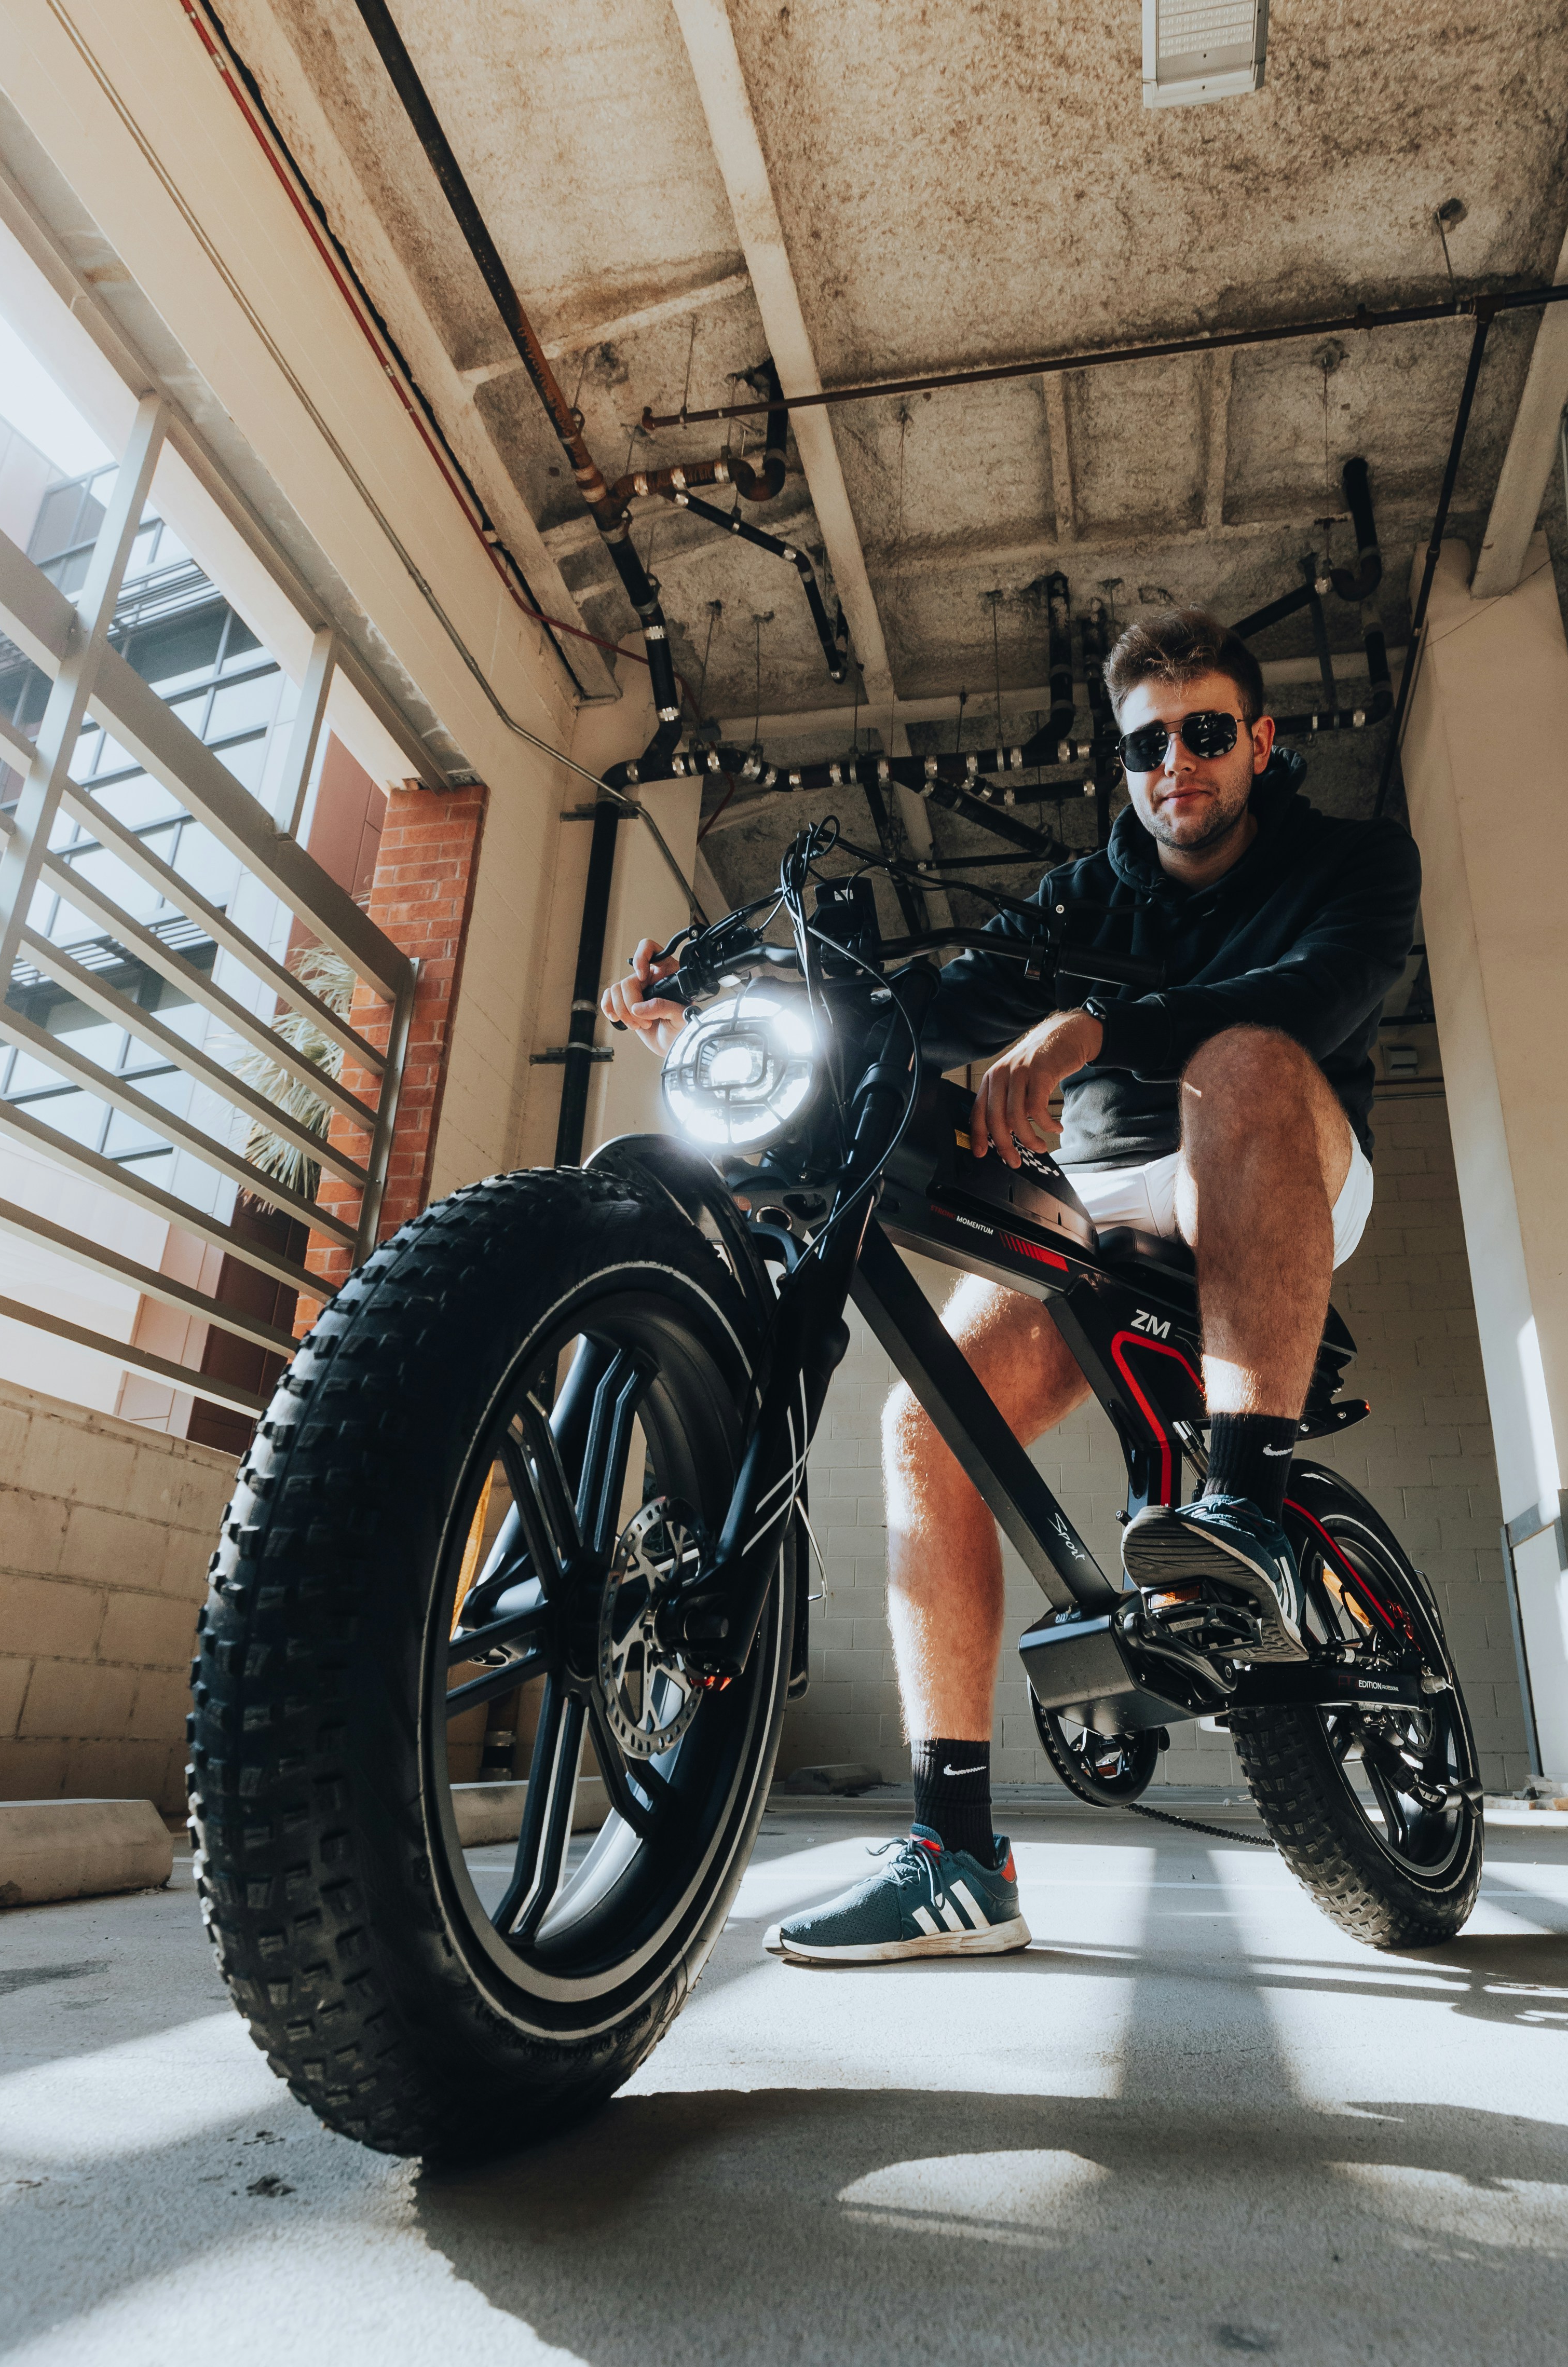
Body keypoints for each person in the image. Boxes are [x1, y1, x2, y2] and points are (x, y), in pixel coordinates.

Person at [605, 608, 1420, 1965]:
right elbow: (941, 999)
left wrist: (1100, 1025)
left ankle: (1248, 1507)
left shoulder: (1352, 862)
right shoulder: (1092, 893)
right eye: (1149, 742)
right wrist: (722, 1013)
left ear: (1262, 742)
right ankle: (957, 1855)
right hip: (1108, 1213)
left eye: (1208, 732)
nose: (1179, 763)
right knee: (921, 1432)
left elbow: (1323, 993)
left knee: (1247, 1059)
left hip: (1286, 1156)